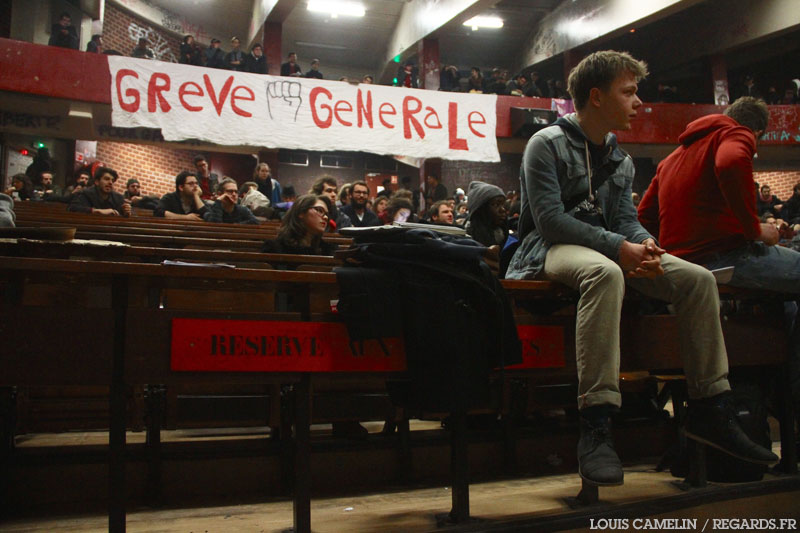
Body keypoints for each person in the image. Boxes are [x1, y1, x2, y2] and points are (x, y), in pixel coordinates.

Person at [505, 51, 778, 487]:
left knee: (697, 278)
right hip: (553, 248)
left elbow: (626, 219)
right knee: (604, 272)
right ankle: (595, 425)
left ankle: (711, 408)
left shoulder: (621, 158)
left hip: (610, 248)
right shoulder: (546, 143)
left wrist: (646, 244)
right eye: (628, 92)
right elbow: (550, 220)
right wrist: (619, 246)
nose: (638, 102)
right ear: (596, 97)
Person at [261, 194, 336, 255]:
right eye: (320, 210)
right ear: (301, 212)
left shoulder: (326, 250)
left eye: (326, 214)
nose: (326, 217)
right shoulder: (274, 248)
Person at [465, 181, 508, 247]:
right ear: (480, 210)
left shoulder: (504, 235)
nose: (503, 210)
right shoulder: (467, 242)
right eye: (495, 204)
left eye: (503, 204)